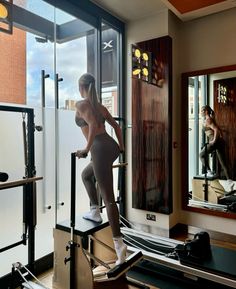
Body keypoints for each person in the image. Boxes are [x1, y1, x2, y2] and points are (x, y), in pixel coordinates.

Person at [75, 73, 127, 265]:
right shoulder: (100, 107)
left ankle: (120, 246)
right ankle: (95, 210)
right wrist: (121, 148)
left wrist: (86, 149)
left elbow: (93, 125)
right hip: (111, 146)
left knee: (109, 197)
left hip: (98, 148)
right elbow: (117, 127)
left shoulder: (81, 105)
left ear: (81, 87)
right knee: (86, 175)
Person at [199, 105, 234, 191]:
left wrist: (214, 140)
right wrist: (219, 137)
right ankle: (230, 181)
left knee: (201, 154)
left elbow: (216, 129)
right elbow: (217, 129)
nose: (201, 112)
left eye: (202, 111)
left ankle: (209, 172)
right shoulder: (208, 119)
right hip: (217, 142)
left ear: (206, 111)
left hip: (214, 142)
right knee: (223, 162)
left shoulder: (208, 119)